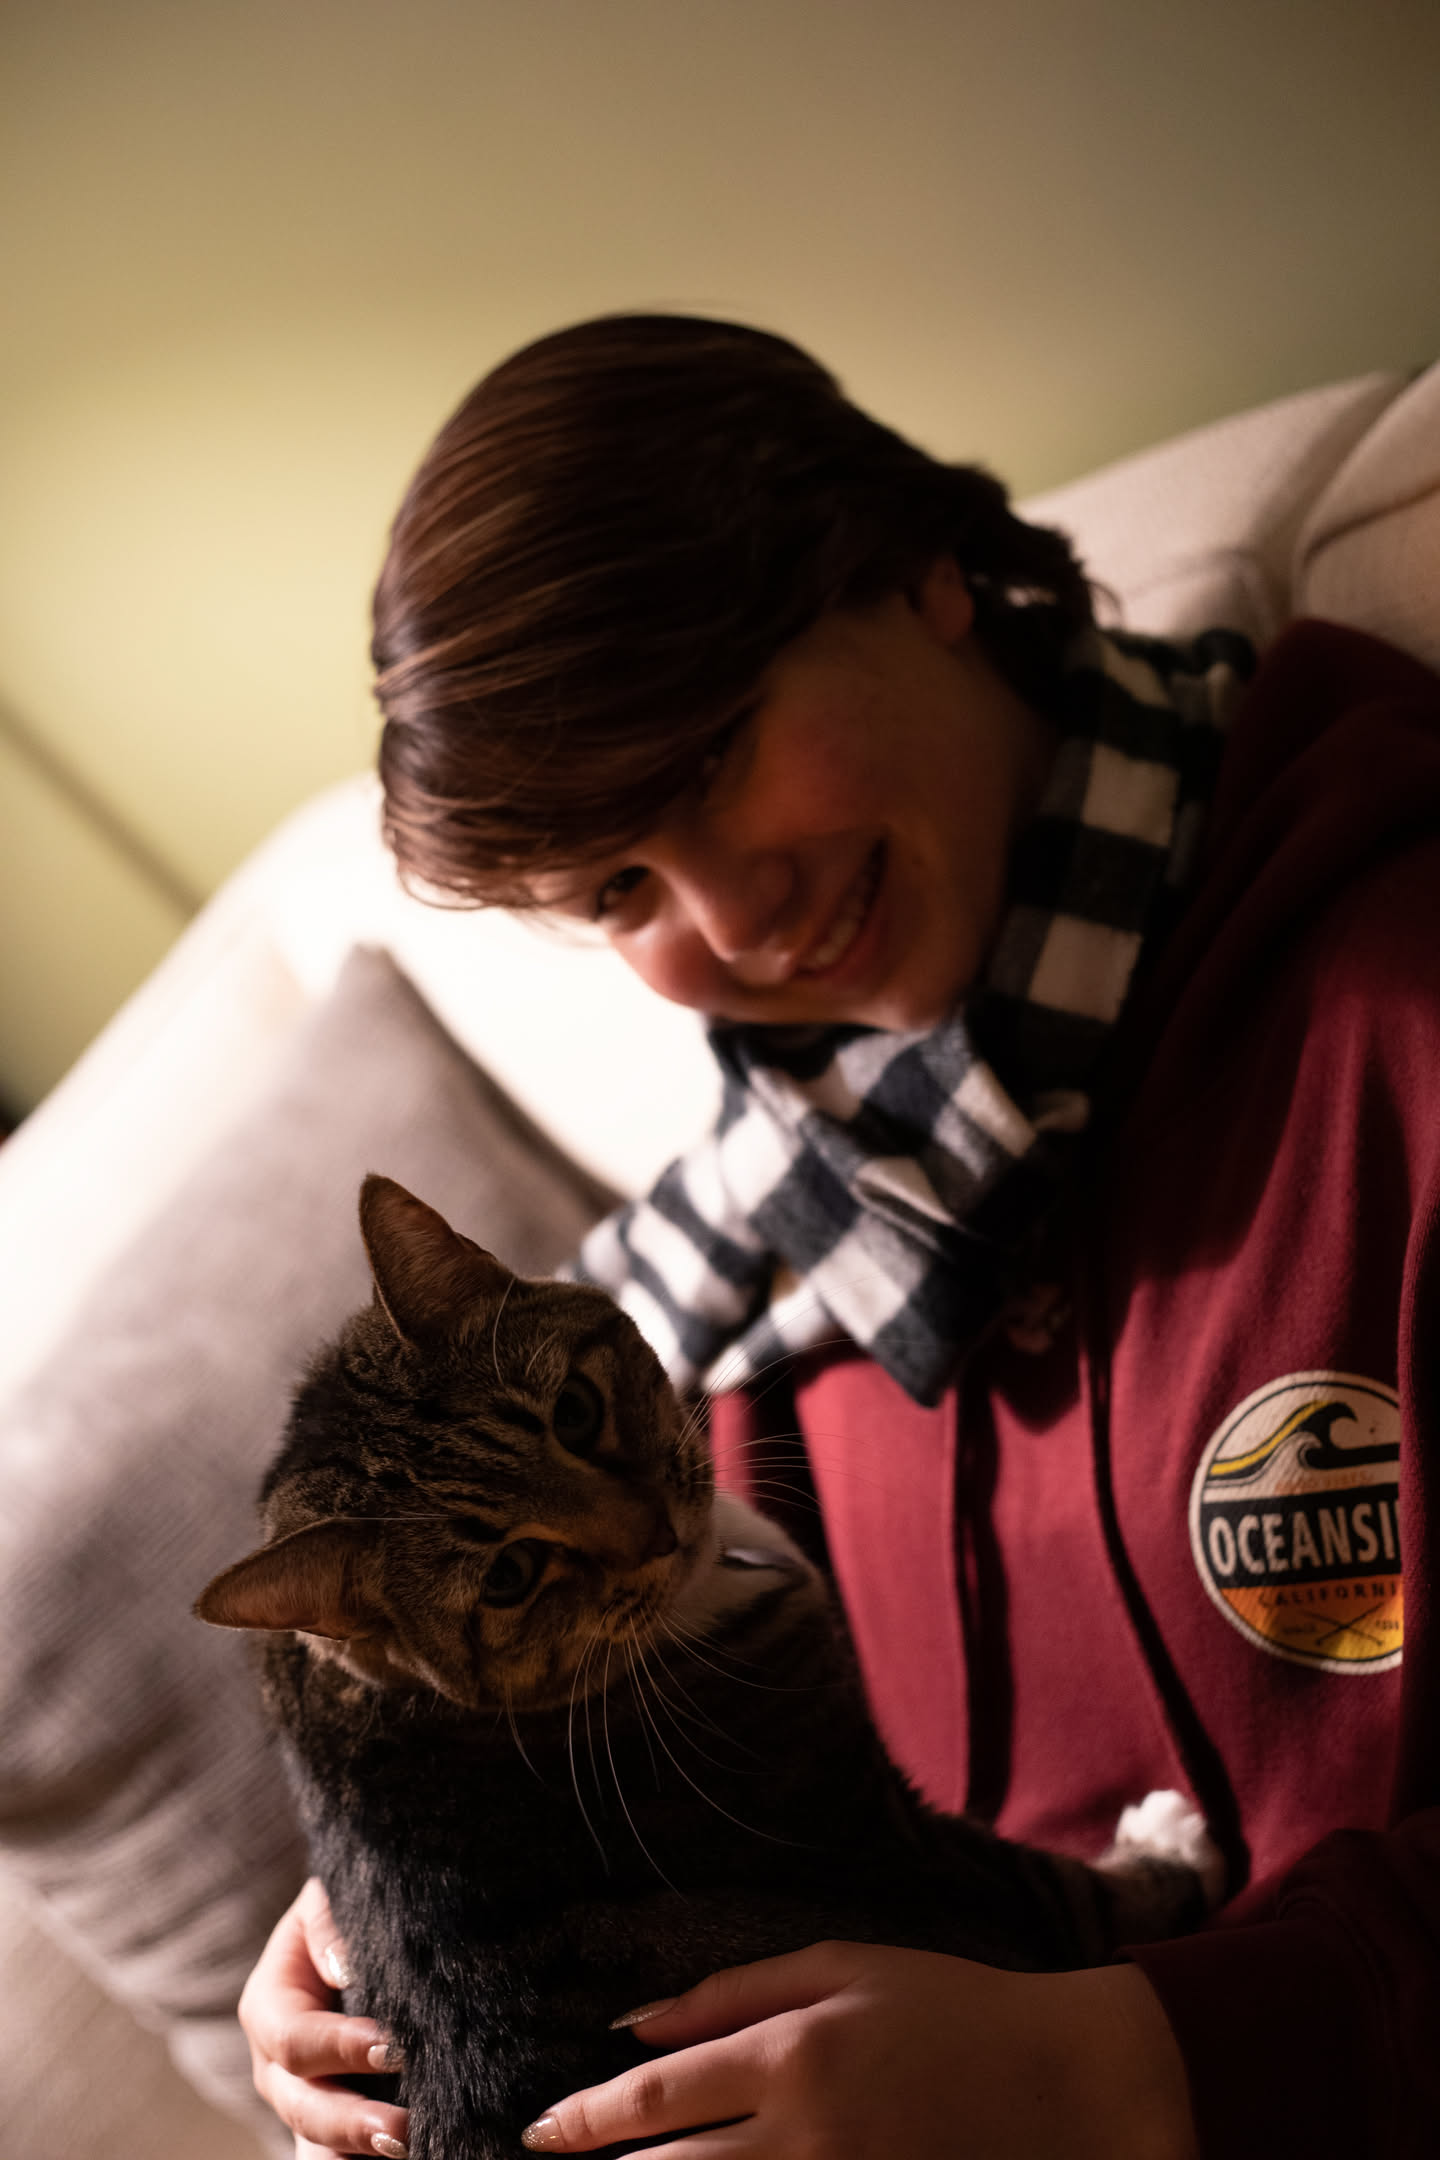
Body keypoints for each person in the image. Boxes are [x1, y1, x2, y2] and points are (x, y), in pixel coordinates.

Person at [237, 315, 1440, 2160]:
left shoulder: (1401, 995)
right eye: (619, 886)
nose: (733, 922)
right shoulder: (736, 1284)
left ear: (916, 569)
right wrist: (391, 1945)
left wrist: (1137, 2061)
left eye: (714, 755)